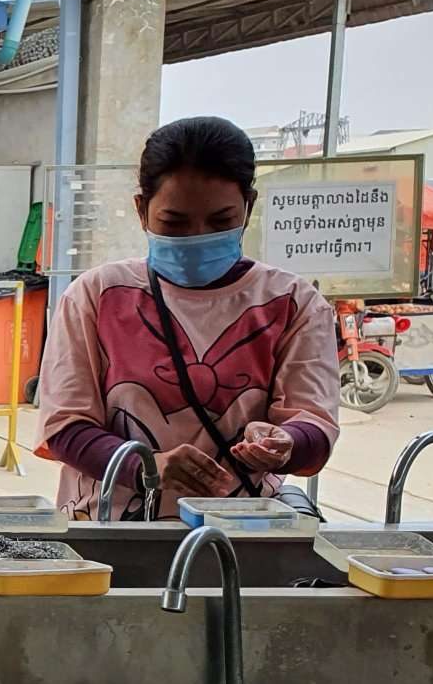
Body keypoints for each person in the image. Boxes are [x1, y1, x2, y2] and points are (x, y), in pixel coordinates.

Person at [37, 116, 339, 518]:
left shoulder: (293, 304)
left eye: (220, 221)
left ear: (248, 207)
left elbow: (314, 426)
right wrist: (146, 466)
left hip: (239, 534)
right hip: (107, 531)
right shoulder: (96, 297)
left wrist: (284, 442)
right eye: (175, 223)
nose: (198, 236)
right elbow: (64, 428)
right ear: (142, 210)